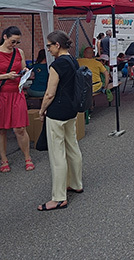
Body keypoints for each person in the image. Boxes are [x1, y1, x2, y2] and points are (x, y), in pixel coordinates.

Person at [38, 30, 83, 211]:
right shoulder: (73, 60)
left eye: (49, 45)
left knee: (57, 155)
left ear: (57, 45)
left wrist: (42, 111)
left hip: (57, 111)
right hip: (71, 109)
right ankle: (76, 183)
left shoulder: (57, 65)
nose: (48, 49)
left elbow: (49, 93)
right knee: (72, 146)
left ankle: (58, 197)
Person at [0, 26, 33, 173]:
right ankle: (4, 160)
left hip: (17, 93)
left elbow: (23, 67)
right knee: (2, 130)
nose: (15, 45)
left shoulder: (19, 52)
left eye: (17, 42)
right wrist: (5, 76)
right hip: (2, 94)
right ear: (5, 37)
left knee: (20, 127)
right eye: (13, 41)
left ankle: (27, 158)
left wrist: (24, 72)